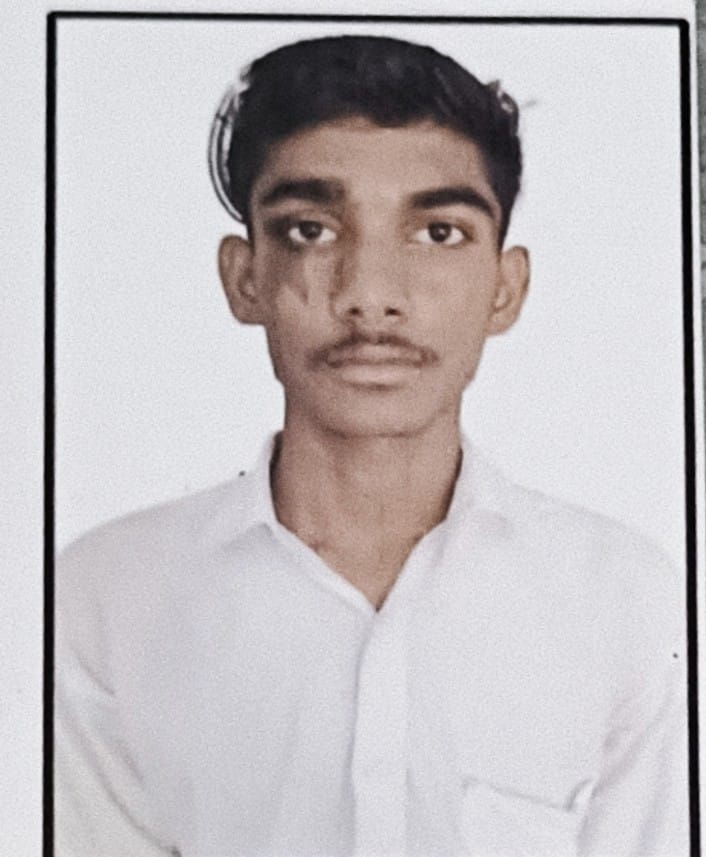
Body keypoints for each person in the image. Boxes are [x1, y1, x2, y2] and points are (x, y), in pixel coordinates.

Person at [55, 35, 689, 857]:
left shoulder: (626, 602)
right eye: (311, 230)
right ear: (244, 277)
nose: (370, 295)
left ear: (506, 288)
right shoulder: (107, 597)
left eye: (438, 232)